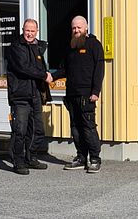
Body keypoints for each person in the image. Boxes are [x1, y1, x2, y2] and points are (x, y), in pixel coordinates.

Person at [49, 15, 105, 173]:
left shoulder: (94, 45)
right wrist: (52, 76)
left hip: (86, 95)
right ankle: (81, 157)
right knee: (75, 128)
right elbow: (65, 69)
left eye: (79, 27)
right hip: (71, 95)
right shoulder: (71, 46)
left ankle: (94, 158)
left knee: (88, 127)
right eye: (74, 28)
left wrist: (96, 92)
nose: (76, 30)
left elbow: (99, 71)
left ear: (86, 27)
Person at [5, 18, 52, 175]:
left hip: (36, 94)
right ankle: (18, 162)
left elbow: (40, 68)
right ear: (23, 30)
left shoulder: (38, 47)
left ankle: (31, 157)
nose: (29, 34)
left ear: (36, 31)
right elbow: (24, 68)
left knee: (37, 130)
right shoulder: (16, 47)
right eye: (27, 30)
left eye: (32, 31)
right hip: (20, 96)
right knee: (20, 130)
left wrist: (46, 83)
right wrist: (44, 75)